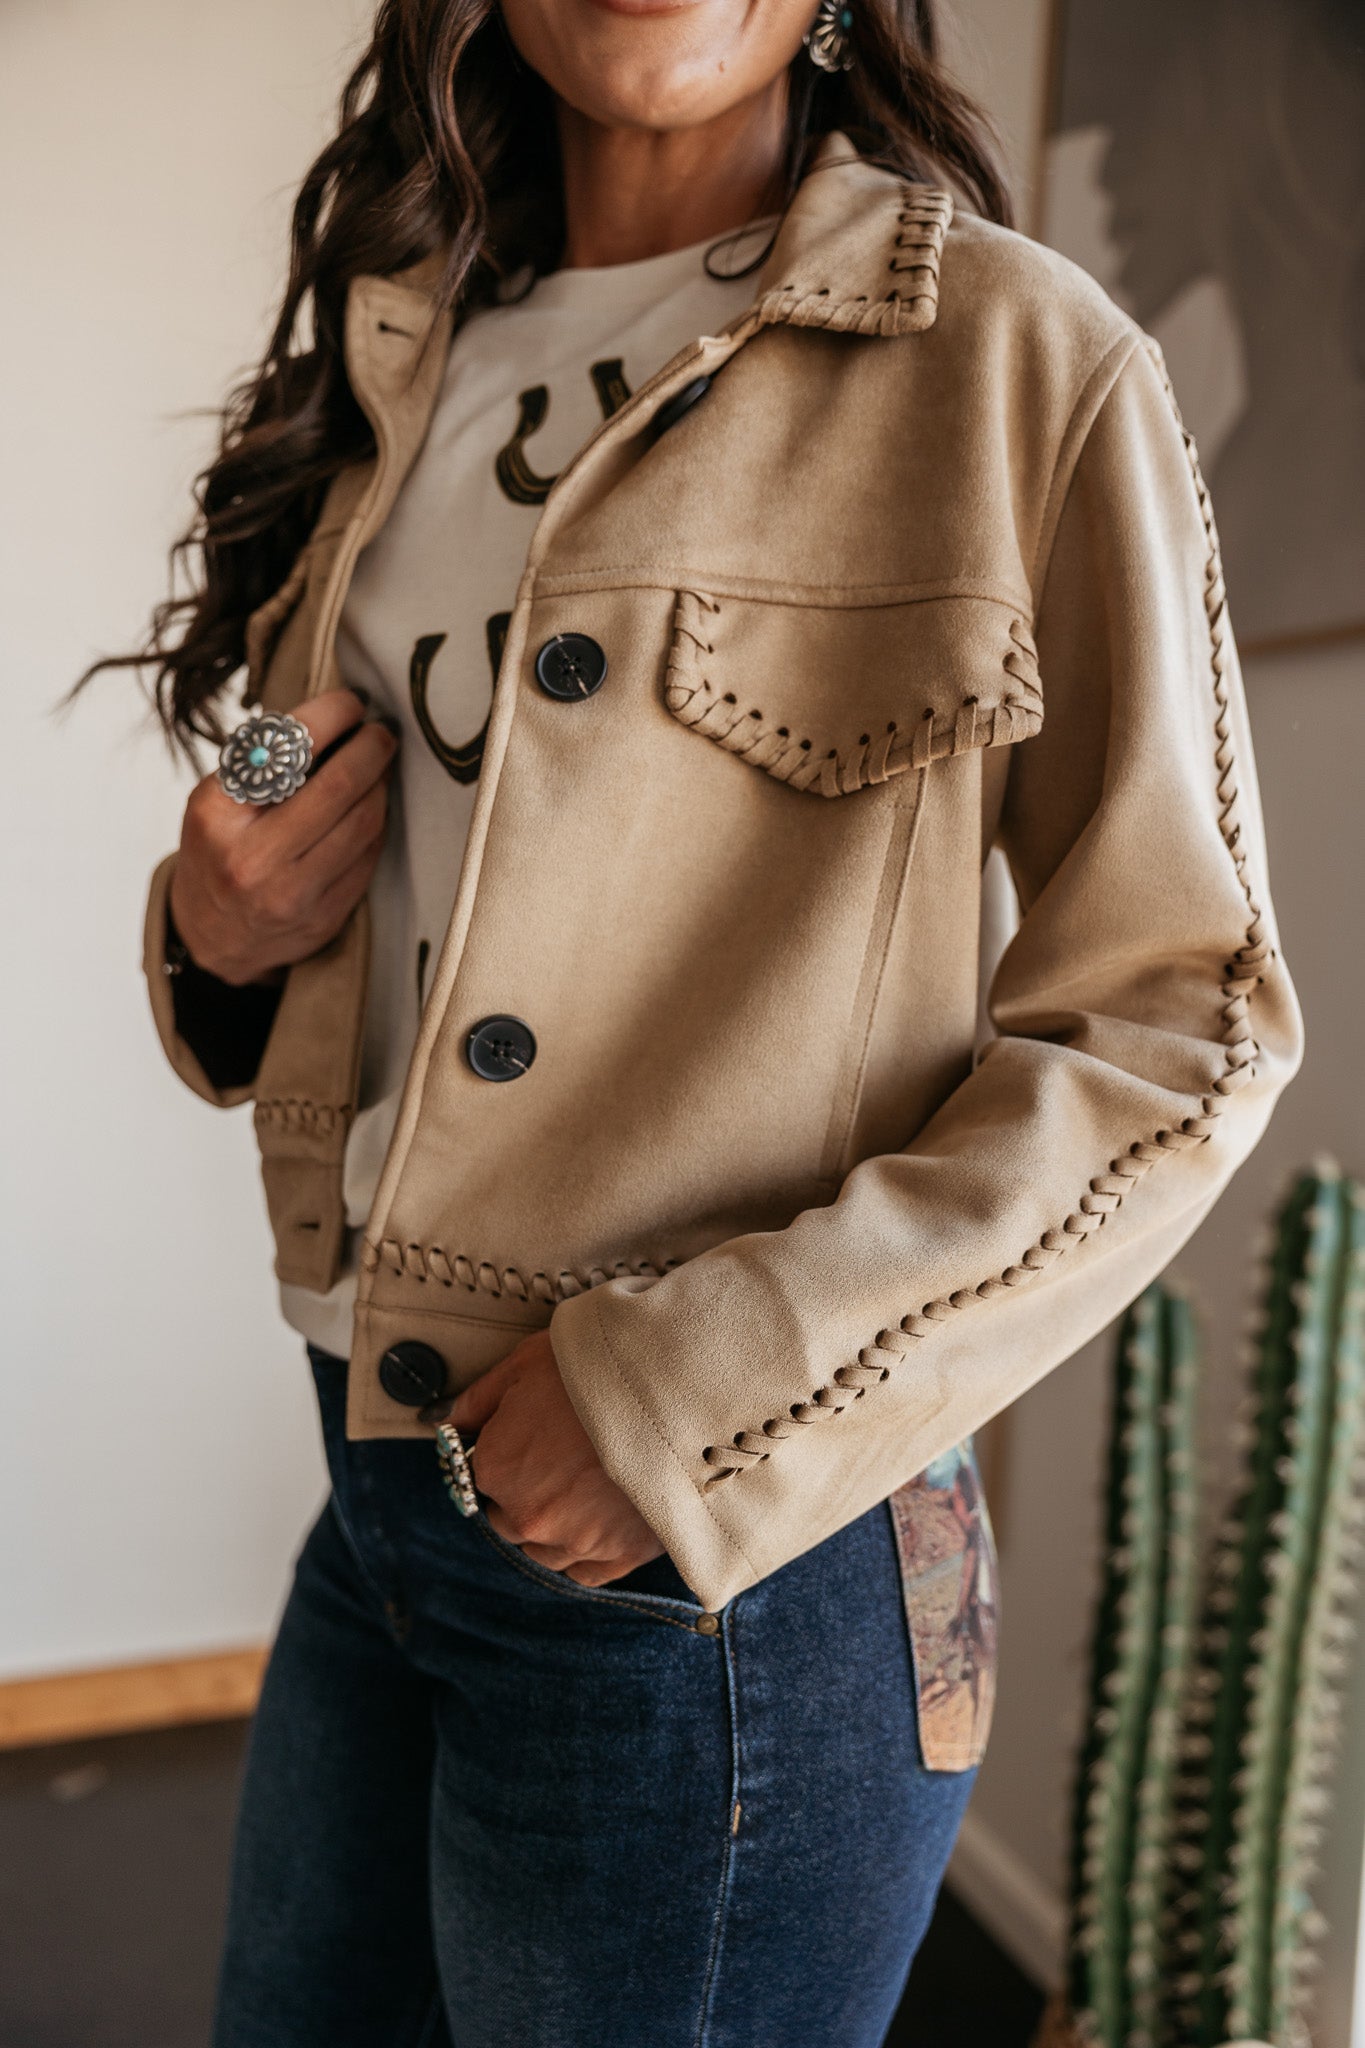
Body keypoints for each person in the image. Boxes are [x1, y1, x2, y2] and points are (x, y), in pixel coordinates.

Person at [93, 0, 1302, 2040]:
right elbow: (297, 782)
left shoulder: (1011, 363)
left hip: (722, 1565)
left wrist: (681, 1404)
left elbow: (1181, 1021)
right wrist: (211, 906)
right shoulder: (395, 362)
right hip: (372, 1493)